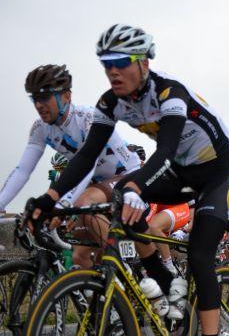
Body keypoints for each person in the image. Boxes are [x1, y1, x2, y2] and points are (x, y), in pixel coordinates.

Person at [26, 24, 229, 336]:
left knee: (202, 254)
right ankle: (166, 283)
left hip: (216, 173)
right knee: (122, 191)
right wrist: (49, 199)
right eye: (106, 65)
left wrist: (138, 183)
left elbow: (166, 149)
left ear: (142, 62)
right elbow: (87, 155)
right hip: (182, 174)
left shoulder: (171, 92)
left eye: (120, 63)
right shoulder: (111, 103)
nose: (112, 72)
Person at [1, 64, 140, 267]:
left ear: (67, 96)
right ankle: (102, 294)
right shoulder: (41, 129)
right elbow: (22, 171)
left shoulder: (87, 119)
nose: (38, 105)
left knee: (84, 202)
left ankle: (127, 264)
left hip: (128, 174)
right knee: (79, 257)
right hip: (97, 182)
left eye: (45, 97)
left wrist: (60, 205)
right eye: (34, 99)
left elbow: (87, 165)